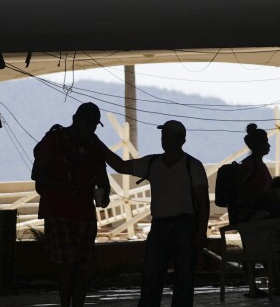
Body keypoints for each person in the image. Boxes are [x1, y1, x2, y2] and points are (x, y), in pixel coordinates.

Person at [35, 102, 132, 307]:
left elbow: (103, 177)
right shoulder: (57, 140)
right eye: (89, 124)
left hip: (78, 213)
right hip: (62, 212)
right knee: (69, 267)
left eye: (94, 125)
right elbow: (38, 177)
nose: (91, 129)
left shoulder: (88, 143)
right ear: (77, 120)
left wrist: (103, 194)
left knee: (79, 266)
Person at [129, 120, 209, 307]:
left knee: (180, 279)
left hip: (182, 227)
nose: (164, 139)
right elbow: (120, 166)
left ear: (181, 139)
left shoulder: (192, 165)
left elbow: (203, 203)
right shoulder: (155, 163)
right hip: (165, 227)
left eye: (168, 135)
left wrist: (201, 232)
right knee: (154, 278)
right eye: (163, 135)